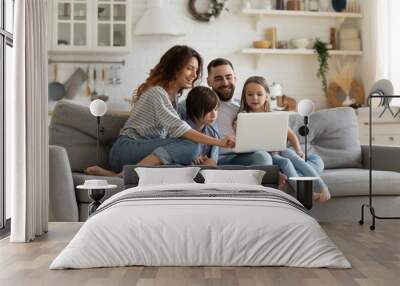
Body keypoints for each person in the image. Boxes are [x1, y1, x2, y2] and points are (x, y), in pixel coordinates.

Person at [85, 45, 234, 177]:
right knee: (192, 146)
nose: (194, 75)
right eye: (189, 68)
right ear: (174, 68)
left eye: (196, 70)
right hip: (126, 151)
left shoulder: (173, 99)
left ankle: (117, 174)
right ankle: (123, 176)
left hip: (145, 153)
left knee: (183, 163)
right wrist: (219, 142)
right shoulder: (157, 93)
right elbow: (181, 130)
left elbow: (182, 130)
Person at [238, 76, 331, 202]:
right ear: (244, 96)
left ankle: (322, 187)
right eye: (250, 94)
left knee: (291, 154)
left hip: (280, 151)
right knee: (286, 161)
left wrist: (299, 150)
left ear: (267, 96)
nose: (254, 98)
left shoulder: (272, 116)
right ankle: (302, 192)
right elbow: (243, 142)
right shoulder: (243, 117)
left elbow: (291, 135)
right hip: (264, 155)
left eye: (259, 94)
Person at [206, 58, 273, 166]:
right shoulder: (202, 105)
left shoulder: (245, 107)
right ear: (209, 81)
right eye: (218, 79)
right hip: (220, 158)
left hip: (245, 155)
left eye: (229, 77)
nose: (225, 83)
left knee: (264, 156)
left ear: (235, 78)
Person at [179, 86, 220, 166]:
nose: (214, 115)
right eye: (208, 110)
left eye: (215, 109)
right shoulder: (182, 129)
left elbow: (213, 160)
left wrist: (211, 162)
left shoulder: (213, 131)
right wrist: (191, 155)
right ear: (195, 109)